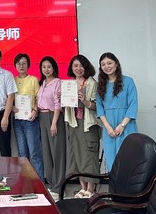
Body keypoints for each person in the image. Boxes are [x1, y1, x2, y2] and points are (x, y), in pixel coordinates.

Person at [65, 54, 100, 198]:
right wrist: (62, 98)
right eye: (75, 66)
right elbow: (66, 106)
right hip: (74, 123)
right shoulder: (68, 84)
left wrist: (84, 101)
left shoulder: (92, 83)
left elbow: (97, 106)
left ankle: (91, 189)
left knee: (89, 155)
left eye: (81, 66)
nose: (78, 68)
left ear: (86, 67)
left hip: (88, 124)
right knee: (77, 155)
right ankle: (82, 188)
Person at [96, 52, 139, 171]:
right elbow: (99, 108)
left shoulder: (128, 81)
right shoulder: (100, 85)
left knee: (128, 157)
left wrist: (122, 125)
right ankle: (114, 183)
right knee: (111, 160)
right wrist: (108, 127)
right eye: (103, 64)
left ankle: (129, 183)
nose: (107, 66)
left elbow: (133, 104)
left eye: (109, 63)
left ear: (116, 64)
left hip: (126, 124)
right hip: (109, 126)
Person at [12, 53, 44, 181]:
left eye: (24, 63)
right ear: (15, 65)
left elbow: (38, 98)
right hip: (17, 121)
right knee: (22, 154)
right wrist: (12, 107)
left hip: (31, 120)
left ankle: (39, 182)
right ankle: (24, 182)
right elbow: (8, 98)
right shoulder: (12, 80)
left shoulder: (33, 79)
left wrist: (35, 110)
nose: (21, 66)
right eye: (19, 63)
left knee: (34, 152)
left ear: (28, 65)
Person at [37, 56, 65, 194]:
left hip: (54, 117)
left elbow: (57, 104)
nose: (46, 69)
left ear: (54, 68)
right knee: (46, 151)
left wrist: (54, 123)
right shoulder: (42, 83)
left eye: (49, 66)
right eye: (44, 67)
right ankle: (52, 183)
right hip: (42, 117)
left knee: (57, 152)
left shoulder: (57, 82)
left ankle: (59, 187)